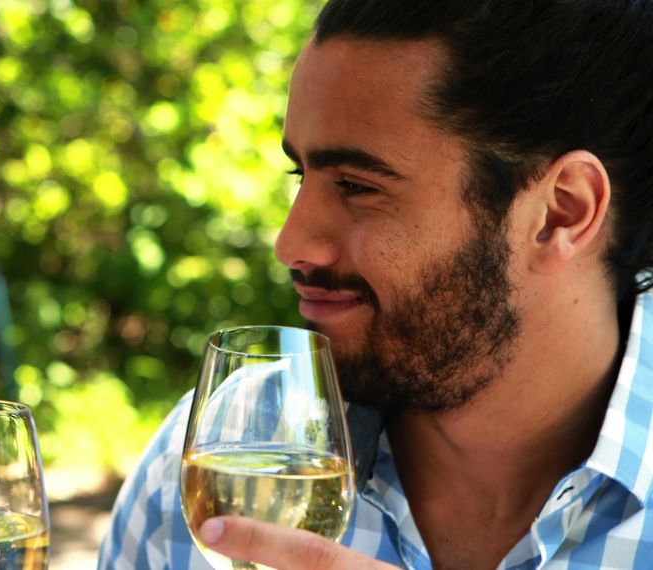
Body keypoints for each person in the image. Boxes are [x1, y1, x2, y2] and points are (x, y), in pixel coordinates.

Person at [100, 0, 653, 568]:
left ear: (562, 212)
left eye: (357, 185)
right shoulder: (217, 453)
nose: (291, 244)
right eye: (301, 173)